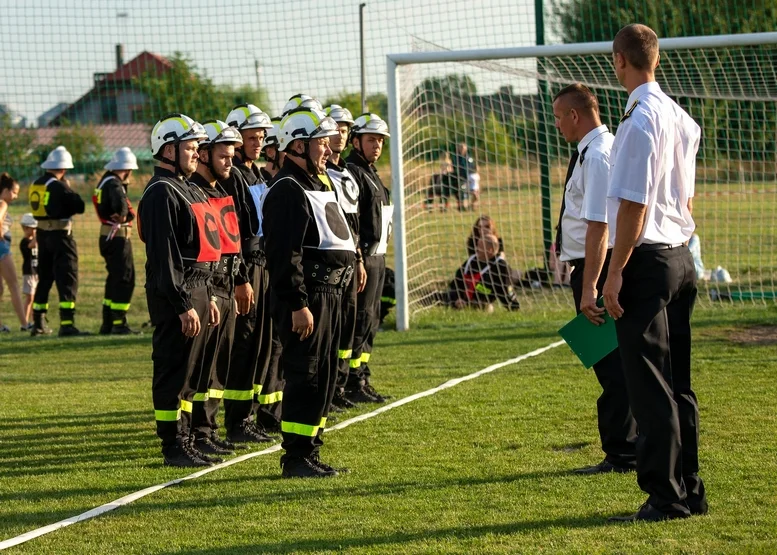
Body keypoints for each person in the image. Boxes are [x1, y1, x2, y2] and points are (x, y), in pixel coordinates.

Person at [602, 24, 707, 522]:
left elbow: (632, 207)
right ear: (657, 59)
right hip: (681, 257)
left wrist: (615, 271)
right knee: (679, 383)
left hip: (647, 261)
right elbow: (686, 199)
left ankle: (666, 497)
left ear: (621, 61)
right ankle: (690, 485)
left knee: (650, 386)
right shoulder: (682, 118)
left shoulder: (639, 120)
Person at [263, 106, 355, 478]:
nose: (329, 150)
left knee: (325, 375)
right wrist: (299, 304)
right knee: (307, 374)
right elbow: (285, 256)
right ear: (297, 146)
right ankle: (296, 457)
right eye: (320, 143)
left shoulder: (318, 182)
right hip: (309, 299)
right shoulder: (287, 189)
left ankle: (311, 450)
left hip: (330, 295)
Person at [551, 82, 637, 475]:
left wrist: (590, 284)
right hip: (587, 265)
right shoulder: (590, 151)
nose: (556, 125)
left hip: (595, 266)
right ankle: (624, 449)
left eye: (558, 117)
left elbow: (600, 225)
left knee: (611, 364)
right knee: (608, 361)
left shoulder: (600, 153)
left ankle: (623, 453)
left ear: (575, 115)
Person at [137, 113, 221, 468]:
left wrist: (211, 293)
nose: (196, 153)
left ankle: (186, 437)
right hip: (179, 291)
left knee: (191, 371)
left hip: (199, 286)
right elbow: (165, 255)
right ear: (168, 149)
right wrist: (183, 303)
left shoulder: (187, 186)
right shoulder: (160, 192)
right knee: (173, 370)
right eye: (190, 147)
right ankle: (172, 444)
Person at [186, 120, 254, 461]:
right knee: (201, 367)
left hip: (229, 284)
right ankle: (195, 432)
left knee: (218, 365)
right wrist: (211, 293)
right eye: (224, 156)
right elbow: (203, 250)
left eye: (232, 156)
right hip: (209, 288)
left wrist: (241, 279)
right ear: (205, 154)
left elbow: (233, 243)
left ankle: (208, 429)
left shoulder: (222, 190)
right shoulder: (195, 191)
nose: (230, 162)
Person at [223, 103, 279, 441]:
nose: (258, 142)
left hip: (263, 264)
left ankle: (251, 415)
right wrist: (242, 277)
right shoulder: (234, 177)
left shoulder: (256, 172)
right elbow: (234, 234)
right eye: (251, 136)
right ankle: (236, 422)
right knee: (243, 346)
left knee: (260, 345)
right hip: (245, 267)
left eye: (261, 136)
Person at [346, 113, 393, 404]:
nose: (376, 145)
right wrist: (360, 258)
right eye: (371, 139)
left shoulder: (372, 172)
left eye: (380, 141)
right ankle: (352, 381)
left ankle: (362, 375)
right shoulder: (355, 172)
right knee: (360, 320)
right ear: (356, 141)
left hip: (378, 256)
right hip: (364, 258)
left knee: (371, 320)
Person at [325, 104, 367, 410]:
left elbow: (353, 221)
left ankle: (340, 386)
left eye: (344, 129)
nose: (340, 134)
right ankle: (332, 388)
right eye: (335, 128)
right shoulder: (321, 173)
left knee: (349, 325)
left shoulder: (348, 173)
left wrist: (360, 257)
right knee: (334, 326)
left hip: (353, 258)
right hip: (332, 263)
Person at [28, 146, 88, 336]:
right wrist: (68, 188)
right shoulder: (59, 185)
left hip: (42, 235)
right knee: (68, 278)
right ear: (63, 169)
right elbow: (79, 206)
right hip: (60, 237)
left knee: (44, 279)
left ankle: (38, 322)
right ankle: (67, 324)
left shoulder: (36, 183)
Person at [93, 147, 139, 335]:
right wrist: (125, 215)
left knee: (114, 279)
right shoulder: (115, 185)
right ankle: (119, 323)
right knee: (125, 279)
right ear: (127, 169)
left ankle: (108, 323)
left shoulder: (104, 181)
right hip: (117, 238)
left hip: (107, 236)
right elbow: (123, 210)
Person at [448, 233, 520, 311]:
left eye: (480, 246)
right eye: (477, 245)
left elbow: (505, 292)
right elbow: (456, 282)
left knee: (482, 306)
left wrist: (514, 307)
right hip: (461, 299)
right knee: (437, 297)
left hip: (481, 302)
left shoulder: (501, 267)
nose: (476, 248)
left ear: (490, 250)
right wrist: (458, 298)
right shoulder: (472, 260)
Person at [0, 173, 29, 331]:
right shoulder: (2, 203)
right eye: (14, 192)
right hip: (1, 248)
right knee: (14, 286)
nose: (16, 196)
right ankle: (25, 324)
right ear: (5, 190)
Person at [19, 213, 38, 328]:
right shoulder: (24, 242)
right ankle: (24, 323)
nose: (35, 231)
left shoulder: (35, 240)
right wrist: (38, 234)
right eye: (33, 229)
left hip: (36, 272)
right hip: (29, 273)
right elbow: (32, 245)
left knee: (34, 298)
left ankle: (33, 321)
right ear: (25, 228)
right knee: (29, 297)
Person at [451, 142, 476, 211]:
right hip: (461, 178)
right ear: (458, 149)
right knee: (463, 193)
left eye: (464, 148)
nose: (462, 149)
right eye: (461, 148)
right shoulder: (456, 157)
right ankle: (463, 207)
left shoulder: (469, 157)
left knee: (475, 194)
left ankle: (471, 205)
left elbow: (473, 166)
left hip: (471, 177)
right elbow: (454, 167)